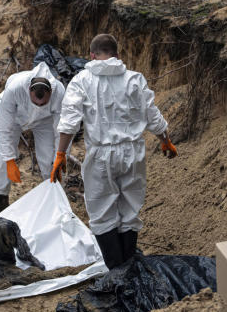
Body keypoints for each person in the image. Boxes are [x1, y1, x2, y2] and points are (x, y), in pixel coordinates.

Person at [50, 34, 177, 270]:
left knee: (101, 212)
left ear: (92, 55)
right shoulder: (134, 79)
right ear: (118, 55)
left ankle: (117, 272)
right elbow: (152, 114)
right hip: (133, 152)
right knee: (129, 210)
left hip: (101, 155)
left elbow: (69, 121)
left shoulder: (82, 81)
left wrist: (60, 154)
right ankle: (128, 267)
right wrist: (165, 140)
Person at [0, 62, 65, 221]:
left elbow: (62, 128)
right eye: (36, 102)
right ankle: (0, 199)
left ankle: (53, 200)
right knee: (3, 154)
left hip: (45, 120)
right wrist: (9, 160)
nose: (40, 104)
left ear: (51, 92)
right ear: (29, 90)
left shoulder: (60, 92)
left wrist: (61, 154)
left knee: (50, 159)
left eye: (44, 103)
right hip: (16, 118)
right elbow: (3, 127)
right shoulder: (15, 88)